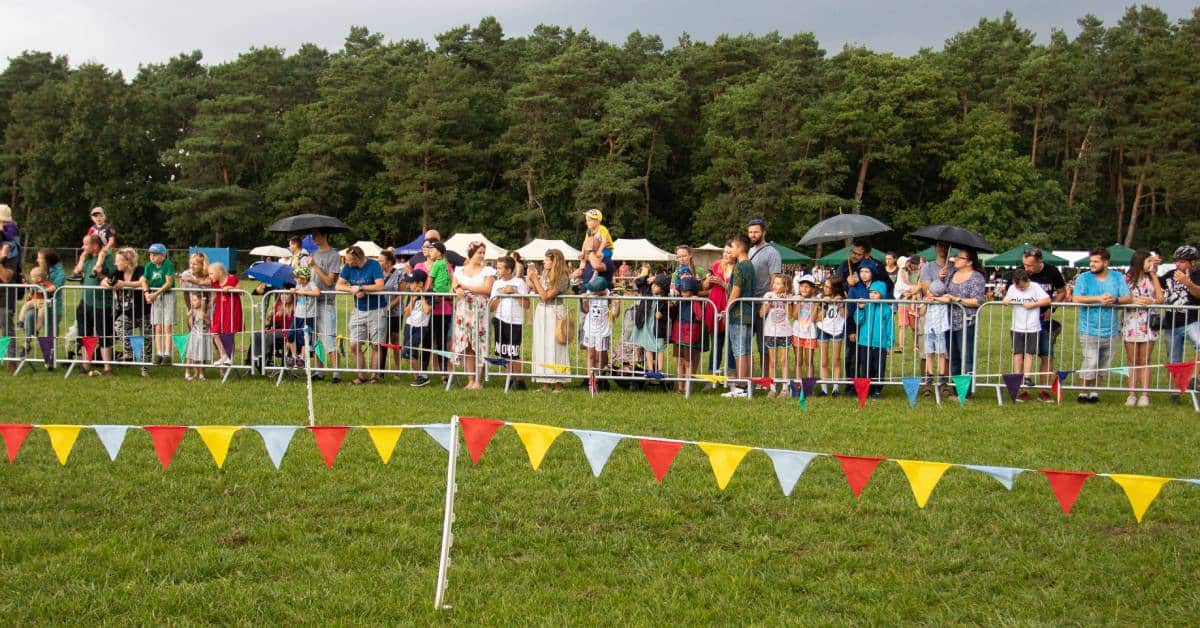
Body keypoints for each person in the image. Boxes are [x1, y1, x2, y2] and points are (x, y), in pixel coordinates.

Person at [1071, 246, 1132, 403]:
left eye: (1096, 261)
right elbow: (1076, 298)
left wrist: (1115, 300)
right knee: (1090, 361)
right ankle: (1083, 392)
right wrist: (1098, 298)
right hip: (1088, 328)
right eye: (1091, 261)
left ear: (1105, 262)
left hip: (1111, 329)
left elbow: (1127, 297)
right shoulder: (1083, 278)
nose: (1092, 264)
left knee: (1104, 363)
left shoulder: (1118, 277)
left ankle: (1095, 392)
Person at [1021, 246, 1067, 402]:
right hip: (1024, 321)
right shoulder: (1021, 272)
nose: (1026, 268)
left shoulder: (1052, 271)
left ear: (1040, 262)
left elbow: (1062, 291)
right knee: (1025, 355)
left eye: (1030, 266)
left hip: (1044, 321)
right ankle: (1024, 390)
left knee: (1047, 354)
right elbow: (1010, 291)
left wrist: (1052, 306)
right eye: (1024, 265)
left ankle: (1044, 390)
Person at [335, 245, 386, 384]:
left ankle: (374, 376)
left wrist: (363, 288)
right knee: (354, 344)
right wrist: (352, 289)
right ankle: (361, 376)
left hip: (376, 309)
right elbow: (338, 285)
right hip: (359, 310)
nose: (347, 263)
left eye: (350, 260)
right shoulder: (348, 268)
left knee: (376, 345)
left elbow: (380, 285)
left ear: (358, 257)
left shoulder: (374, 265)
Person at [937, 249, 986, 389]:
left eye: (960, 258)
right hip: (948, 322)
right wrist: (939, 279)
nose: (955, 259)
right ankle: (956, 389)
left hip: (967, 322)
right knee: (953, 358)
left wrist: (957, 299)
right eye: (956, 257)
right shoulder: (951, 274)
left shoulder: (976, 277)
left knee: (966, 358)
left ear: (969, 261)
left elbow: (978, 301)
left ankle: (965, 391)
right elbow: (942, 292)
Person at [452, 242, 496, 390]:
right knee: (468, 345)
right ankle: (470, 379)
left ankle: (479, 380)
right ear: (471, 253)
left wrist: (465, 287)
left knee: (480, 344)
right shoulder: (458, 270)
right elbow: (454, 286)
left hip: (480, 310)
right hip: (463, 310)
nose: (482, 255)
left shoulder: (488, 271)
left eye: (484, 253)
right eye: (479, 252)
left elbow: (487, 289)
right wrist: (456, 290)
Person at [1122, 249, 1163, 406]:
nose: (1150, 264)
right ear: (1140, 262)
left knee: (1145, 359)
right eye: (1148, 261)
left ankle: (1145, 394)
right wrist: (1134, 301)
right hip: (1131, 321)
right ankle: (1131, 394)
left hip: (1148, 322)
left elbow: (1160, 298)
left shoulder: (1152, 277)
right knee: (1132, 359)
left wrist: (1153, 274)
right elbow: (1122, 297)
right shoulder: (1128, 278)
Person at [1003, 269, 1051, 402]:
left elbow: (1047, 299)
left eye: (1024, 286)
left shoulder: (1035, 287)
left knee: (1029, 353)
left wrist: (1033, 304)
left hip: (1032, 327)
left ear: (1027, 280)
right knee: (1018, 355)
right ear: (1014, 282)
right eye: (1020, 286)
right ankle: (1017, 381)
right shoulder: (1012, 288)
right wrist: (1006, 300)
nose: (1022, 288)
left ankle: (1027, 377)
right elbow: (1007, 298)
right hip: (1016, 327)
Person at [1160, 246, 1200, 402]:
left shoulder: (1197, 275)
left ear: (1192, 262)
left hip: (1191, 321)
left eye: (1182, 261)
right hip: (1171, 323)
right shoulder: (1170, 275)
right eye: (1176, 261)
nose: (1178, 264)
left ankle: (1195, 379)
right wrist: (1151, 271)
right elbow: (1157, 286)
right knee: (1173, 359)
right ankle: (1176, 391)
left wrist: (1187, 283)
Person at [528, 248, 570, 392]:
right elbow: (539, 293)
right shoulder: (545, 273)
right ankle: (544, 382)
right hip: (541, 312)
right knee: (542, 346)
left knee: (556, 347)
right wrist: (532, 281)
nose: (544, 262)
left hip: (555, 313)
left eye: (546, 260)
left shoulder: (562, 277)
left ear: (554, 261)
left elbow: (546, 296)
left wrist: (534, 279)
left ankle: (559, 382)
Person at [722, 234, 756, 398]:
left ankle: (741, 386)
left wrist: (726, 309)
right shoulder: (750, 265)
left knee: (739, 351)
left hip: (739, 313)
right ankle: (747, 385)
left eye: (733, 247)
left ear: (741, 248)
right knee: (747, 350)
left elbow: (736, 291)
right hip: (749, 313)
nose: (731, 251)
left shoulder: (740, 267)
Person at [78, 235, 116, 376]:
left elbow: (111, 275)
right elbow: (78, 274)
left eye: (85, 244)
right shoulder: (86, 259)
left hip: (102, 304)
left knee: (104, 335)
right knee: (85, 334)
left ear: (95, 246)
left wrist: (100, 274)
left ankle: (107, 367)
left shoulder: (107, 258)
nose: (83, 247)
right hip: (85, 302)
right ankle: (85, 364)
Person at [747, 218, 782, 371]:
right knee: (747, 342)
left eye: (756, 232)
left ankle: (765, 378)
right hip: (748, 302)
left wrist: (768, 303)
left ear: (763, 232)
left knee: (764, 343)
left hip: (763, 304)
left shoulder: (772, 252)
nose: (752, 235)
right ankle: (749, 377)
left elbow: (775, 280)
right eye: (750, 232)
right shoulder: (749, 250)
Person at [490, 256, 529, 386]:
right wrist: (501, 295)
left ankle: (519, 379)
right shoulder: (496, 283)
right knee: (503, 351)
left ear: (509, 269)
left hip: (516, 321)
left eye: (500, 267)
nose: (498, 270)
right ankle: (509, 378)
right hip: (500, 319)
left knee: (514, 351)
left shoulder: (519, 283)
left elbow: (527, 304)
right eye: (497, 267)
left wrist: (514, 292)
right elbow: (491, 307)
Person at [418, 240, 455, 376]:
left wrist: (448, 294)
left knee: (441, 342)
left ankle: (444, 373)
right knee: (428, 341)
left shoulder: (445, 265)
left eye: (432, 249)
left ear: (439, 252)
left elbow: (451, 280)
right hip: (430, 310)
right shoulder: (428, 266)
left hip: (444, 310)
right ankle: (423, 372)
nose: (429, 251)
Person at [111, 247, 149, 376]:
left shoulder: (140, 270)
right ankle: (130, 352)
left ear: (127, 262)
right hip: (127, 312)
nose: (115, 263)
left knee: (147, 340)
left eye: (118, 261)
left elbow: (142, 283)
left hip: (144, 311)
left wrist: (124, 284)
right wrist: (107, 283)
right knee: (119, 325)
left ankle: (145, 369)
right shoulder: (117, 272)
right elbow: (107, 281)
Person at [309, 229, 342, 380]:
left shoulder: (334, 256)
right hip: (312, 302)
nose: (314, 238)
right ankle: (318, 370)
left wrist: (315, 266)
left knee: (329, 337)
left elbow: (329, 281)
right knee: (316, 338)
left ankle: (336, 372)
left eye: (316, 235)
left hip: (326, 302)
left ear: (324, 235)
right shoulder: (313, 254)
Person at [669, 276, 709, 392]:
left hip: (690, 335)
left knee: (688, 363)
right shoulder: (680, 301)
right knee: (680, 362)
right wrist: (671, 306)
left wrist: (696, 302)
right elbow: (673, 315)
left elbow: (700, 316)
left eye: (686, 291)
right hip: (679, 334)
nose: (683, 294)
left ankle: (687, 386)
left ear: (692, 291)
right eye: (682, 291)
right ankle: (680, 386)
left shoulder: (697, 301)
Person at [855, 281, 893, 397]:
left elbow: (889, 327)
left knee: (879, 367)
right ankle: (866, 388)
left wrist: (889, 344)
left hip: (880, 343)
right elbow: (858, 320)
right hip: (864, 342)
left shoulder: (886, 309)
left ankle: (877, 389)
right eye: (871, 292)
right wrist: (860, 309)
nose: (872, 295)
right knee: (865, 367)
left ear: (882, 294)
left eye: (876, 293)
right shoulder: (866, 306)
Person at [581, 275, 618, 391]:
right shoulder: (589, 293)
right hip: (590, 329)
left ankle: (599, 379)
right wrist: (585, 301)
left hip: (603, 330)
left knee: (599, 357)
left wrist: (618, 304)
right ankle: (590, 381)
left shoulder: (608, 295)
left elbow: (615, 315)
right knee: (590, 355)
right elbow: (586, 309)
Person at [140, 243, 175, 366]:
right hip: (155, 296)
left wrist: (156, 294)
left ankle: (167, 354)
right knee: (158, 326)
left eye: (155, 254)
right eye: (151, 254)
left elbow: (168, 283)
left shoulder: (168, 264)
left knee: (167, 326)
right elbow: (144, 279)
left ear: (163, 255)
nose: (152, 257)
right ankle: (159, 353)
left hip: (167, 296)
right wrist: (147, 293)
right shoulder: (149, 266)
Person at [760, 274, 793, 397]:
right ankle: (772, 388)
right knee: (772, 361)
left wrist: (785, 302)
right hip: (771, 332)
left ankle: (785, 388)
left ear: (786, 286)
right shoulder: (768, 295)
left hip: (785, 332)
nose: (775, 285)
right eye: (774, 283)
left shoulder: (790, 297)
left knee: (784, 360)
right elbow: (761, 314)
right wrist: (768, 303)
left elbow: (791, 315)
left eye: (779, 283)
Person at [705, 245, 734, 377]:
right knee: (716, 344)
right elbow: (706, 286)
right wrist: (708, 280)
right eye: (724, 252)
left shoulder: (738, 268)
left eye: (729, 252)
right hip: (715, 305)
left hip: (730, 307)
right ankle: (712, 376)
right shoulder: (717, 265)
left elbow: (736, 290)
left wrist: (723, 283)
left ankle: (731, 377)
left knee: (731, 346)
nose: (726, 255)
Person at [632, 273, 670, 377]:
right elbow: (638, 282)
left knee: (659, 348)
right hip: (647, 324)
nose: (653, 286)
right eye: (653, 284)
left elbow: (668, 313)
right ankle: (650, 369)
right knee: (648, 347)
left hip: (658, 327)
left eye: (656, 285)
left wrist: (662, 315)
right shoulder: (647, 291)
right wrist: (647, 278)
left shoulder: (665, 298)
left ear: (662, 288)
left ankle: (660, 370)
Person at [207, 262, 242, 367]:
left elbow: (241, 291)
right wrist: (209, 304)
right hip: (220, 310)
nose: (210, 276)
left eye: (211, 273)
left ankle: (229, 357)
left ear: (220, 272)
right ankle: (223, 355)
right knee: (215, 332)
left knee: (228, 334)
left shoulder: (232, 279)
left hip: (232, 310)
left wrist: (231, 288)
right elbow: (215, 294)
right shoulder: (215, 283)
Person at [401, 269, 432, 385]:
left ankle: (422, 376)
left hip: (421, 327)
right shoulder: (411, 295)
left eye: (412, 282)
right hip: (409, 325)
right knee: (408, 352)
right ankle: (418, 376)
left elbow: (427, 310)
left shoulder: (429, 293)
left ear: (420, 283)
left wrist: (422, 296)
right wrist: (413, 299)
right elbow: (406, 313)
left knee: (408, 352)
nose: (409, 285)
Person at [922, 278, 951, 398]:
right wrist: (925, 302)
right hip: (929, 330)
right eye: (929, 291)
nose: (929, 293)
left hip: (940, 330)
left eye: (931, 292)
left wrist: (935, 298)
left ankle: (942, 376)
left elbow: (948, 299)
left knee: (941, 354)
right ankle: (929, 376)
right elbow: (922, 312)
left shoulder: (942, 300)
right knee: (929, 353)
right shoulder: (927, 299)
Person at [379, 250, 405, 373]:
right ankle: (380, 370)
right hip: (380, 312)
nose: (379, 263)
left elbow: (401, 295)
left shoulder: (399, 274)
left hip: (395, 312)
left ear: (389, 262)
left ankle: (397, 368)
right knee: (382, 339)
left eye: (381, 260)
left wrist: (390, 306)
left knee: (394, 339)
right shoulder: (377, 274)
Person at [17, 267, 52, 356]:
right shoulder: (33, 285)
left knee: (41, 315)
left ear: (39, 278)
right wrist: (29, 295)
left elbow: (53, 287)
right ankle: (20, 321)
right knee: (25, 306)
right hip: (34, 301)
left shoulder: (45, 283)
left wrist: (44, 290)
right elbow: (30, 293)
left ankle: (36, 329)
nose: (31, 279)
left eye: (33, 277)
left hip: (42, 303)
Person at [288, 266, 318, 368]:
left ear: (303, 278)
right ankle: (294, 356)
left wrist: (304, 292)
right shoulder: (298, 284)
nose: (295, 279)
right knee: (290, 334)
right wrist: (293, 290)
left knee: (304, 337)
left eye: (297, 277)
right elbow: (295, 290)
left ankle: (303, 358)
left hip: (308, 316)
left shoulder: (311, 284)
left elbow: (317, 292)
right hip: (298, 315)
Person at [74, 207, 116, 278]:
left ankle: (96, 268)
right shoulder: (92, 228)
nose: (98, 218)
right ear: (92, 218)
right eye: (96, 216)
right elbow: (88, 239)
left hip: (105, 247)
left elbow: (111, 240)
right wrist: (85, 246)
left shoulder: (108, 227)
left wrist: (106, 248)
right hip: (94, 248)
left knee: (102, 253)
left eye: (101, 216)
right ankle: (78, 271)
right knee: (83, 255)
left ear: (105, 217)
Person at [578, 209, 615, 287]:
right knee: (585, 257)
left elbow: (604, 241)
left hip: (607, 248)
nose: (587, 222)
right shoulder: (589, 231)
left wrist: (599, 250)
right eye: (587, 220)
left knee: (600, 257)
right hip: (596, 249)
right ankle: (581, 271)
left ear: (598, 221)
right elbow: (585, 242)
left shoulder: (602, 229)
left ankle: (595, 272)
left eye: (590, 220)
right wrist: (582, 252)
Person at [894, 255, 922, 354]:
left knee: (915, 327)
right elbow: (903, 283)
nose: (909, 264)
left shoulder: (917, 273)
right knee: (902, 325)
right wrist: (912, 288)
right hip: (903, 302)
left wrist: (914, 290)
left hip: (912, 301)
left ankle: (916, 346)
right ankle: (901, 347)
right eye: (908, 262)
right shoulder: (902, 271)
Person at [792, 275, 818, 380]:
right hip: (797, 332)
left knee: (809, 361)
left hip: (810, 333)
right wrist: (799, 302)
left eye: (807, 286)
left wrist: (816, 305)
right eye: (802, 286)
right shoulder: (797, 299)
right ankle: (798, 382)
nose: (804, 289)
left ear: (812, 288)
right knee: (798, 360)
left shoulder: (815, 300)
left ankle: (809, 385)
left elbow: (814, 318)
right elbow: (794, 315)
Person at [36, 248, 67, 337]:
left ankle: (50, 350)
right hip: (39, 303)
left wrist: (41, 290)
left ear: (47, 260)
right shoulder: (40, 269)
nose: (37, 260)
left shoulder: (60, 271)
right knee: (29, 317)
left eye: (39, 258)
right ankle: (27, 343)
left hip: (54, 306)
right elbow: (35, 282)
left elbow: (55, 287)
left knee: (51, 330)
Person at [183, 292, 211, 381]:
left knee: (201, 355)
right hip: (194, 336)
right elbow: (188, 317)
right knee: (191, 354)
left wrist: (205, 318)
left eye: (195, 300)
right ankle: (190, 373)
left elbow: (209, 324)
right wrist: (191, 310)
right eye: (192, 300)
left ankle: (201, 373)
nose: (193, 302)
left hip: (203, 336)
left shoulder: (205, 311)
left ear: (201, 301)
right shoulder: (193, 311)